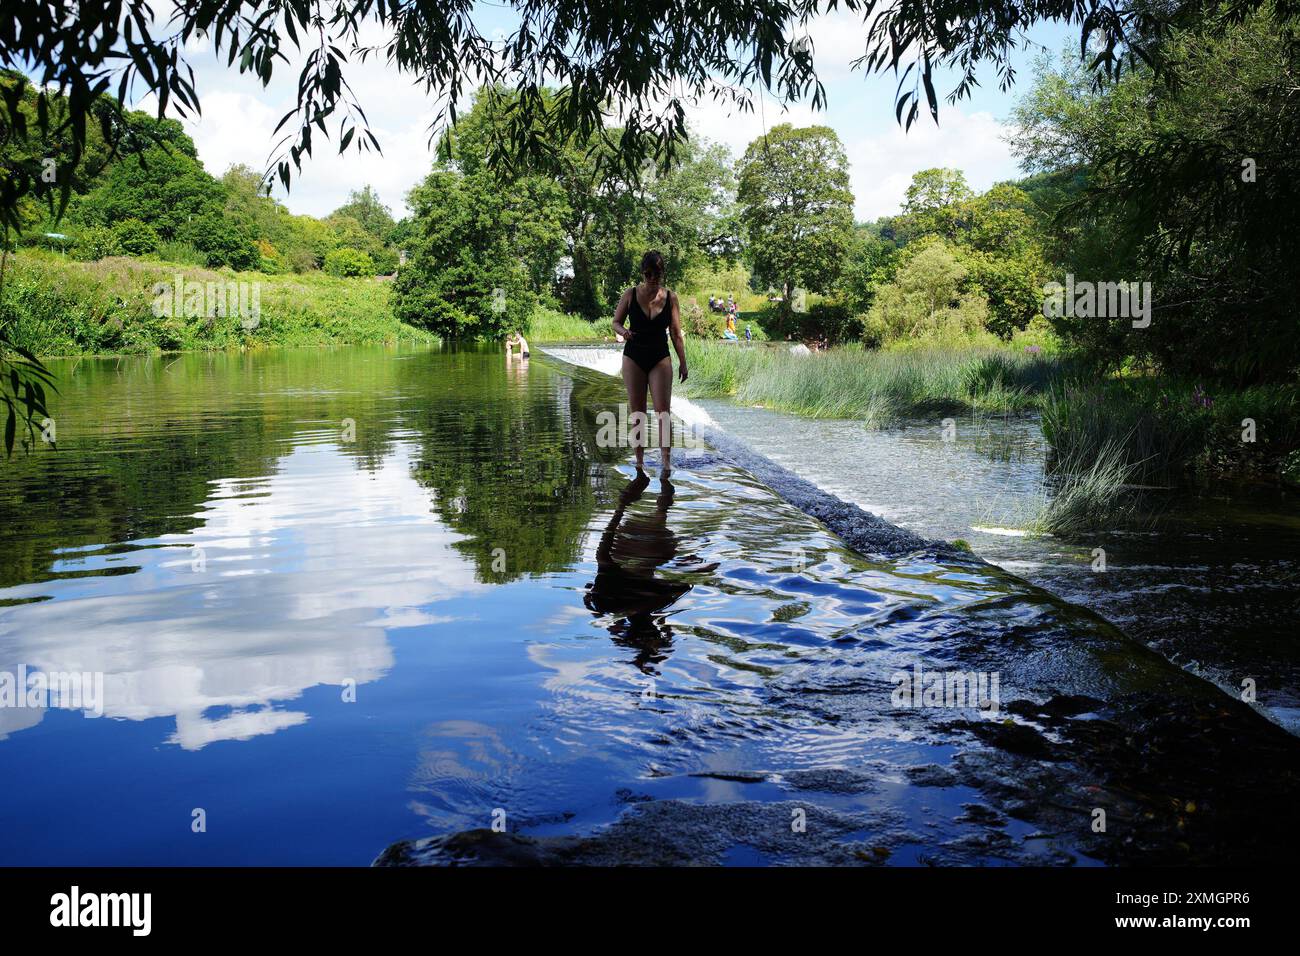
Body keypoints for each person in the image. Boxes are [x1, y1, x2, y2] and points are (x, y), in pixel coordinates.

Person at [612, 250, 688, 474]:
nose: (652, 278)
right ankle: (639, 461)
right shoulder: (630, 294)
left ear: (663, 273)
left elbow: (676, 333)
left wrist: (683, 362)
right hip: (633, 356)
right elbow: (615, 322)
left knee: (663, 412)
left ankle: (665, 462)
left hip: (659, 357)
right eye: (648, 273)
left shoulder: (671, 298)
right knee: (638, 413)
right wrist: (624, 331)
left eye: (657, 273)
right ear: (643, 273)